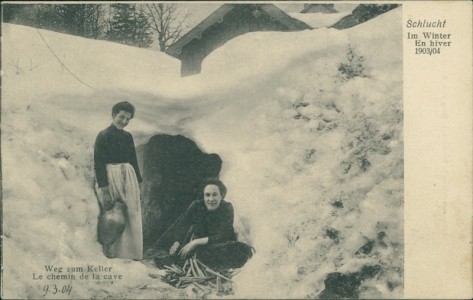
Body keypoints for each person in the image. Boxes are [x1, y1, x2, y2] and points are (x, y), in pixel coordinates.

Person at [158, 178, 253, 270]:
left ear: (221, 196)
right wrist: (177, 242)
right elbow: (183, 224)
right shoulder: (196, 205)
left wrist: (195, 242)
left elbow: (223, 234)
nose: (210, 199)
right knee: (183, 253)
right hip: (199, 248)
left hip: (219, 245)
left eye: (214, 195)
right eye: (207, 195)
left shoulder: (227, 208)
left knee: (241, 250)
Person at [94, 101, 143, 260]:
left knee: (130, 213)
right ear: (114, 115)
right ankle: (113, 254)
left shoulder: (127, 136)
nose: (124, 121)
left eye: (128, 119)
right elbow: (99, 164)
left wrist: (138, 183)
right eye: (121, 117)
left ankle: (130, 253)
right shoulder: (103, 135)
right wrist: (105, 190)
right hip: (111, 176)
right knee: (113, 213)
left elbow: (133, 160)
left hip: (128, 176)